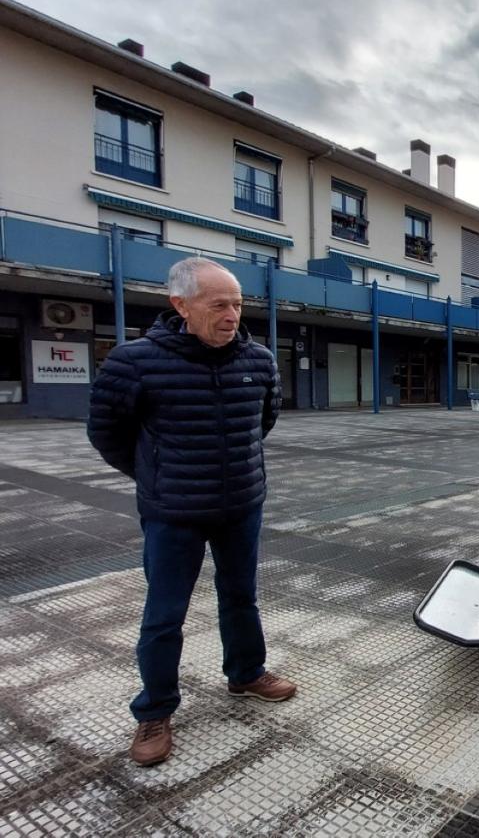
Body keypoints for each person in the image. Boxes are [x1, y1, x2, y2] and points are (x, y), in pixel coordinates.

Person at [88, 256, 295, 767]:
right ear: (180, 305)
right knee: (164, 614)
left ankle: (246, 672)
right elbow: (106, 432)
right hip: (173, 512)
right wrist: (156, 475)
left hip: (241, 505)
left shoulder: (259, 361)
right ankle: (154, 712)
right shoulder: (133, 362)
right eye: (219, 304)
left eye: (238, 304)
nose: (232, 315)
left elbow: (262, 422)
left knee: (241, 596)